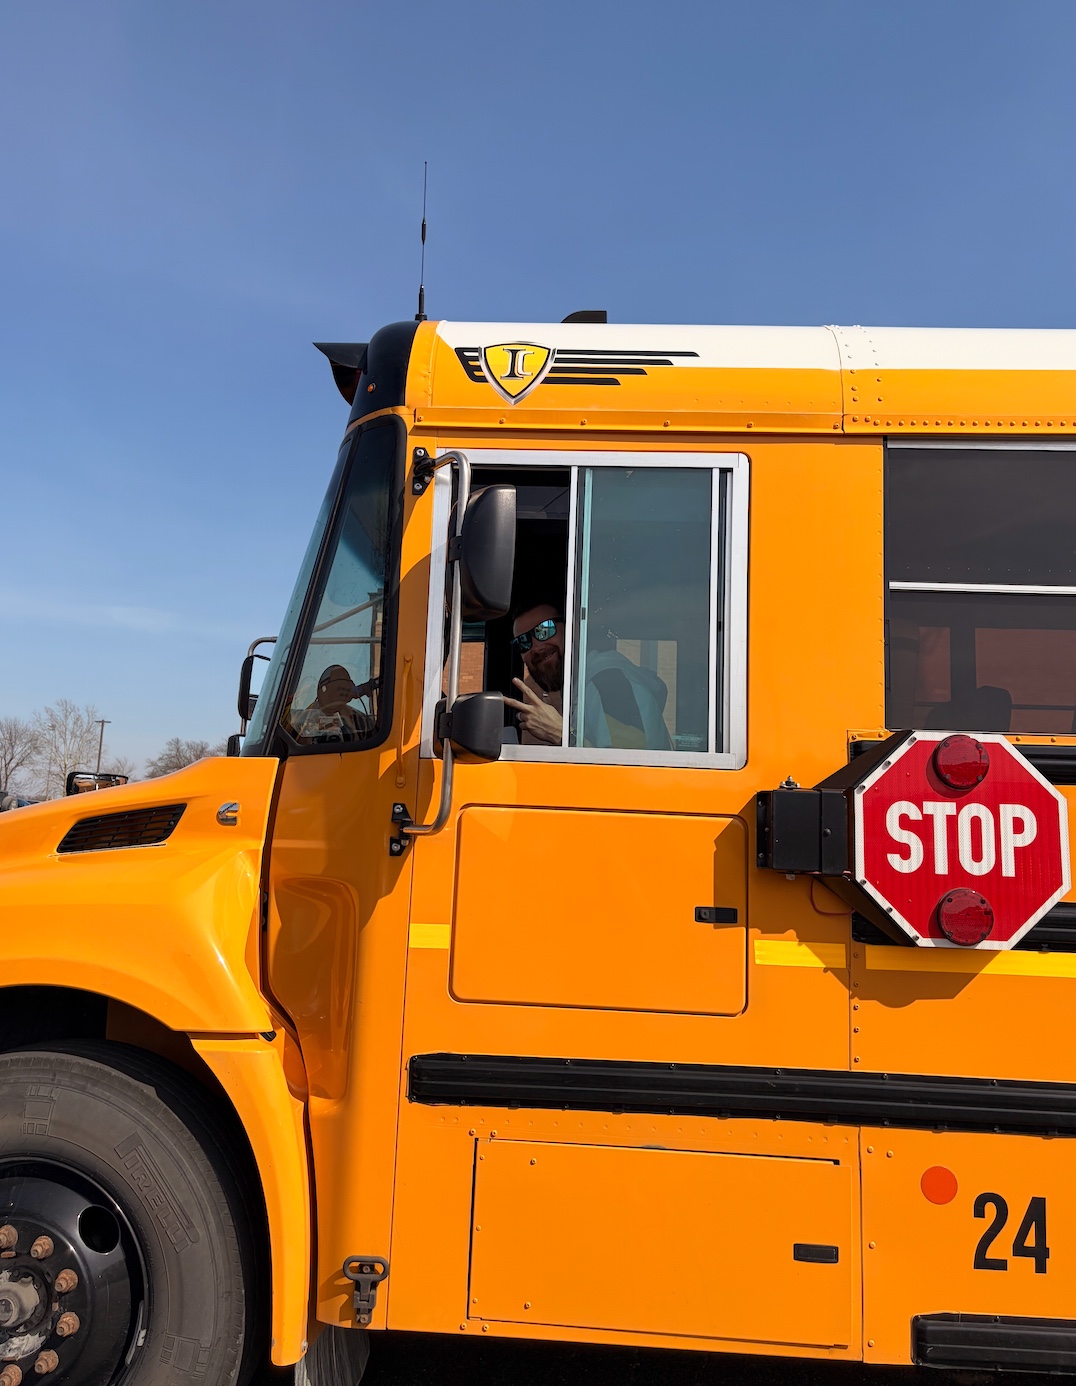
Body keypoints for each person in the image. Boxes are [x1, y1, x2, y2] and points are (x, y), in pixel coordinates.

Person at [504, 603, 672, 751]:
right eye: (523, 641)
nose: (535, 647)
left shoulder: (609, 684)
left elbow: (633, 775)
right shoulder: (586, 687)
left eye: (544, 630)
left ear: (574, 629)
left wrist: (559, 733)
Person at [289, 664, 376, 742]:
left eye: (344, 690)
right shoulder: (303, 718)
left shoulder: (359, 721)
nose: (341, 694)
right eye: (339, 689)